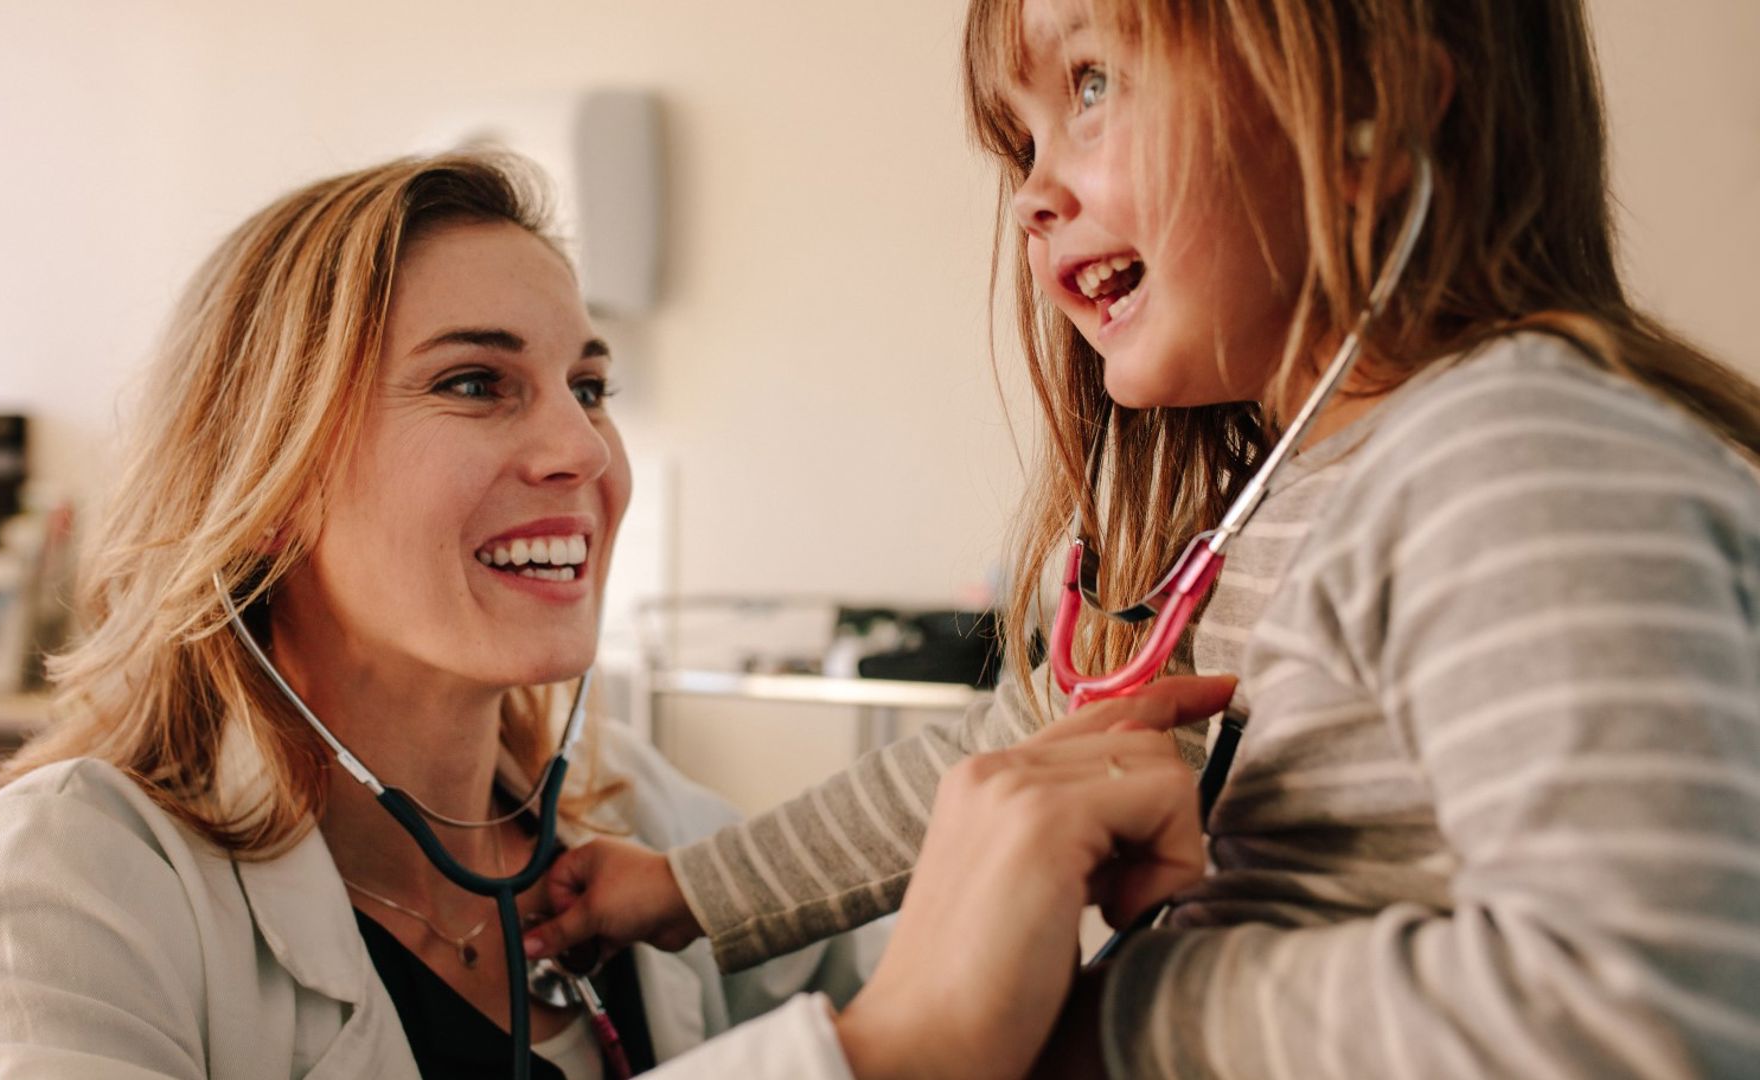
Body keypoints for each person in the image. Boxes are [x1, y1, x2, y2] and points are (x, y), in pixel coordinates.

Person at [528, 0, 1760, 1075]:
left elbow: (1630, 1012)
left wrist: (1109, 1020)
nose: (1031, 195)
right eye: (1021, 140)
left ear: (1369, 114)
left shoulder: (1518, 465)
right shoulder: (1268, 504)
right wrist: (688, 889)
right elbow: (1001, 762)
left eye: (1092, 85)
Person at [0, 151, 1188, 1079]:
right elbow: (915, 1041)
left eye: (589, 387)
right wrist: (877, 1058)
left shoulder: (646, 829)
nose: (583, 452)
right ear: (263, 486)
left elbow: (1004, 1043)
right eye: (475, 384)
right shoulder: (52, 901)